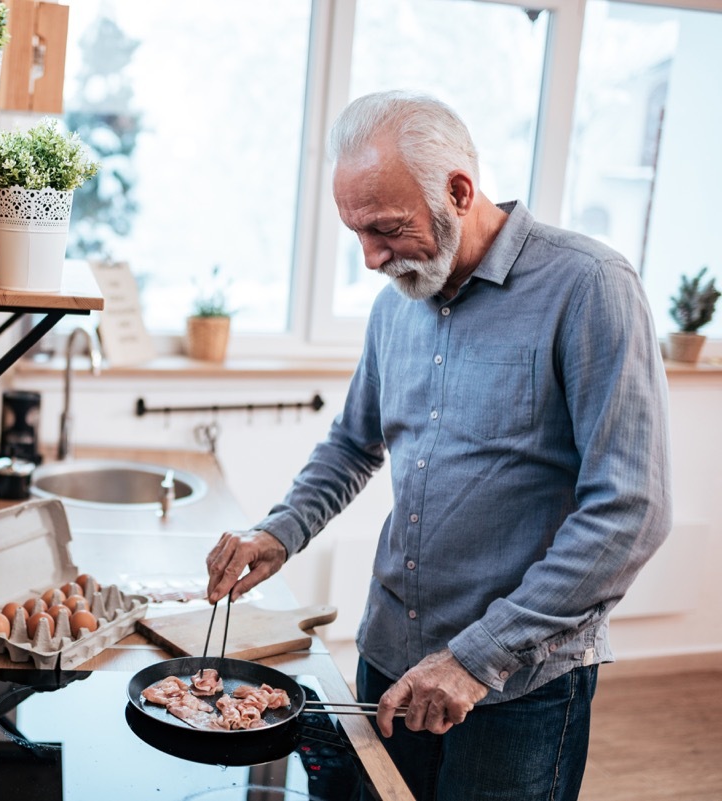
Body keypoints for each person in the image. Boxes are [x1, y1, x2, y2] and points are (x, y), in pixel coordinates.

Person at [205, 90, 672, 801]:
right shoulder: (398, 299)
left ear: (459, 191)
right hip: (389, 658)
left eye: (386, 229)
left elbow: (630, 510)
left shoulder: (590, 287)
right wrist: (279, 530)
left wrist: (476, 658)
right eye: (355, 232)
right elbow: (353, 443)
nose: (369, 258)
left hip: (515, 688)